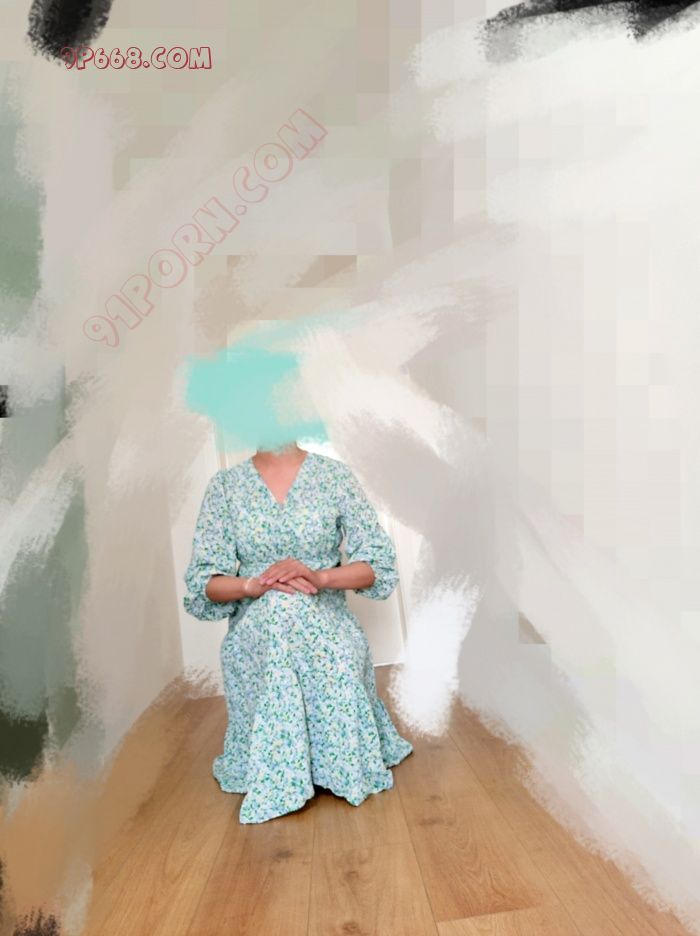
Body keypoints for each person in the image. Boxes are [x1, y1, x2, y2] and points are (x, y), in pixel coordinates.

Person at [183, 441, 413, 824]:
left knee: (292, 611)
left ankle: (299, 770)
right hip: (258, 626)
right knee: (280, 609)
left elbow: (378, 566)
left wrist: (319, 578)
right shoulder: (225, 487)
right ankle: (296, 769)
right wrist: (252, 586)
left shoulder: (334, 476)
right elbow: (203, 583)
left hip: (326, 619)